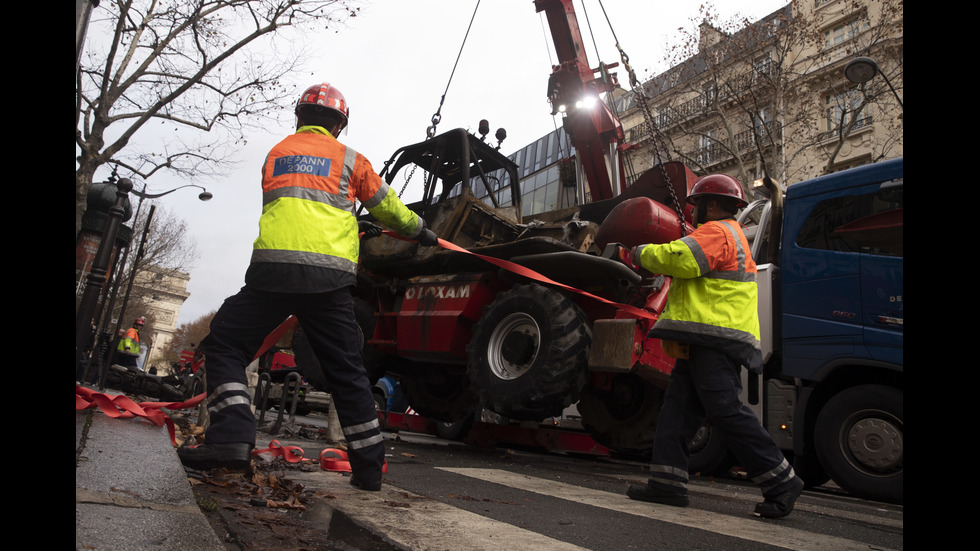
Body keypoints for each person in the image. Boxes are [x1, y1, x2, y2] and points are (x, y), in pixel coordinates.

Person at [176, 83, 438, 492]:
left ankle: (230, 439)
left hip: (272, 275)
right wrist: (422, 232)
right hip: (329, 281)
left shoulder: (277, 154)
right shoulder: (352, 159)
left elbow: (294, 209)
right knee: (347, 372)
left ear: (299, 117)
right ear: (340, 125)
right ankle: (368, 471)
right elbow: (389, 208)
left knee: (225, 346)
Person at [626, 174, 804, 519]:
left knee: (724, 409)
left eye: (695, 206)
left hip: (715, 337)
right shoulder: (729, 234)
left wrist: (638, 252)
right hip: (705, 338)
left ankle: (782, 480)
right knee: (677, 411)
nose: (692, 213)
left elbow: (681, 259)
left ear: (709, 205)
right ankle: (667, 484)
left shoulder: (717, 231)